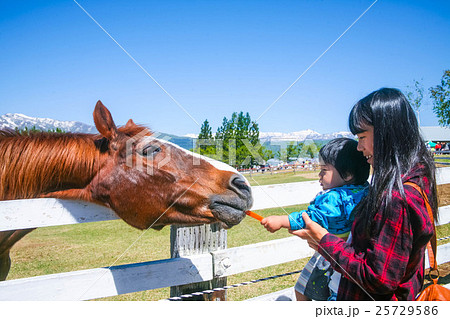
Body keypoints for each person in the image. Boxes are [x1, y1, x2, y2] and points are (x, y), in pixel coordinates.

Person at [291, 88, 437, 301]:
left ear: (387, 134)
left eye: (362, 136)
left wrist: (324, 241)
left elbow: (378, 278)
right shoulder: (418, 177)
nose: (359, 147)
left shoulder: (397, 197)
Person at [261, 137, 370, 301]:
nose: (319, 175)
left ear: (347, 174)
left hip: (331, 255)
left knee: (305, 289)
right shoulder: (365, 190)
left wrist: (281, 220)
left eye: (324, 170)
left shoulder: (335, 198)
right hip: (349, 256)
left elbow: (310, 219)